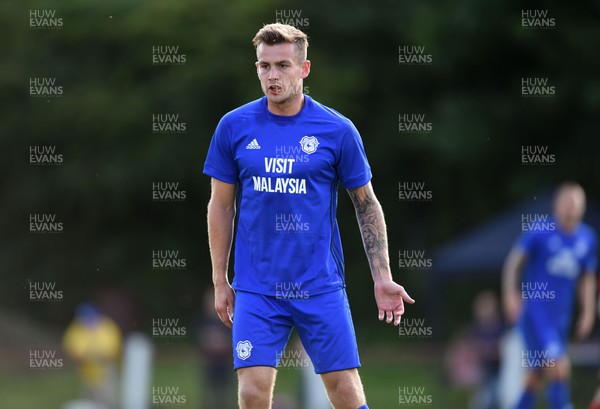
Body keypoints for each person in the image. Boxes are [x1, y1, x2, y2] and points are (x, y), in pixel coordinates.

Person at [203, 23, 414, 409]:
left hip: (319, 284)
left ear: (304, 69)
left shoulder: (336, 130)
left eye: (283, 65)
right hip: (257, 287)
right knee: (252, 391)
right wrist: (220, 279)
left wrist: (382, 277)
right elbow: (220, 205)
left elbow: (366, 204)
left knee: (344, 390)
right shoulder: (233, 127)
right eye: (264, 66)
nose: (272, 76)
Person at [502, 182, 597, 409]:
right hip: (536, 314)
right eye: (567, 201)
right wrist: (510, 294)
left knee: (535, 377)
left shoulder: (587, 238)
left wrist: (588, 311)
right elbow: (514, 261)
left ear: (583, 207)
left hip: (561, 317)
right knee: (559, 366)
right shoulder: (540, 231)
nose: (571, 206)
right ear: (556, 204)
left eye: (576, 202)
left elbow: (587, 277)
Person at [62, 303, 122, 409]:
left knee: (107, 397)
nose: (88, 320)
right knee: (88, 398)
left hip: (105, 369)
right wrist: (80, 357)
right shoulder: (76, 329)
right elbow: (71, 346)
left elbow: (114, 344)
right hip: (87, 371)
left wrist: (106, 356)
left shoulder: (107, 326)